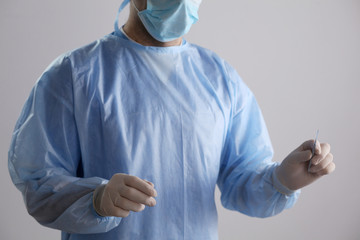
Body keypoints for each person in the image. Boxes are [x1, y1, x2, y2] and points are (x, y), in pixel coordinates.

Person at [8, 0, 335, 239]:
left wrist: (282, 180)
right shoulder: (74, 75)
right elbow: (40, 182)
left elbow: (241, 180)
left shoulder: (219, 79)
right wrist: (97, 200)